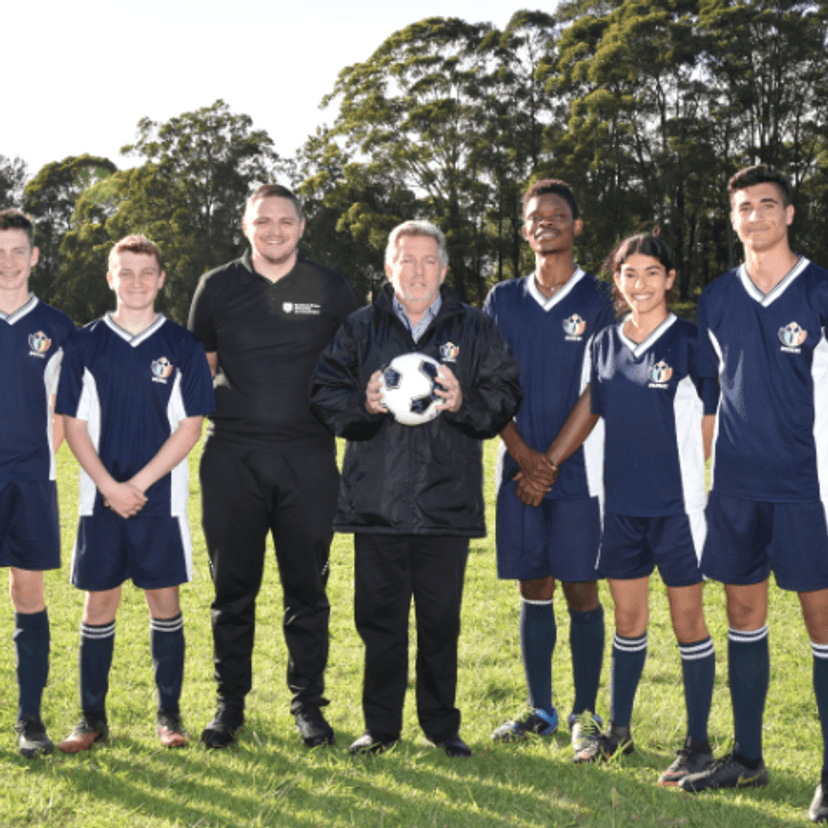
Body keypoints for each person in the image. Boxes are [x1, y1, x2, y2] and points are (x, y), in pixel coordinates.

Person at [310, 220, 521, 757]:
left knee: (439, 622)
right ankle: (381, 727)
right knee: (378, 623)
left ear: (445, 270)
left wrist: (462, 401)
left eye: (430, 261)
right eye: (407, 260)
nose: (419, 271)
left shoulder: (473, 328)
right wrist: (364, 403)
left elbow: (505, 393)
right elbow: (324, 391)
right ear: (388, 268)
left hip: (445, 502)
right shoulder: (361, 327)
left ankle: (441, 727)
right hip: (376, 503)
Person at [675, 166, 828, 824]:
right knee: (744, 615)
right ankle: (748, 756)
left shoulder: (821, 290)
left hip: (807, 487)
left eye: (769, 205)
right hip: (736, 487)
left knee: (823, 625)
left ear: (789, 214)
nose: (757, 216)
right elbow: (709, 398)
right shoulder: (716, 297)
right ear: (732, 219)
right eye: (745, 207)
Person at [541, 233, 718, 783]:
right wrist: (547, 463)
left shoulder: (690, 341)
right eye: (628, 273)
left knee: (689, 622)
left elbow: (713, 423)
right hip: (619, 508)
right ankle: (619, 731)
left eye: (650, 273)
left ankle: (697, 744)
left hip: (678, 510)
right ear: (616, 281)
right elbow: (593, 407)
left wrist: (700, 479)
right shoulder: (603, 343)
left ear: (670, 278)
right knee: (629, 621)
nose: (638, 283)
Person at [188, 184, 358, 749]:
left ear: (302, 227)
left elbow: (358, 366)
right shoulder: (216, 286)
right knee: (232, 590)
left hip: (308, 460)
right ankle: (228, 705)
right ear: (245, 225)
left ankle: (308, 706)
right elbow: (199, 373)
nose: (275, 230)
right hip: (232, 458)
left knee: (306, 590)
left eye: (286, 221)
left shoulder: (332, 289)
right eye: (264, 220)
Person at [55, 235, 214, 752]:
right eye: (126, 272)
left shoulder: (183, 346)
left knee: (162, 599)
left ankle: (169, 716)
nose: (137, 282)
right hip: (98, 499)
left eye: (147, 272)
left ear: (162, 279)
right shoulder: (83, 344)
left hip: (159, 501)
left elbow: (191, 426)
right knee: (99, 602)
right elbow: (72, 425)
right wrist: (108, 486)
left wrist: (137, 487)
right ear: (110, 278)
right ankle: (91, 719)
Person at [482, 180, 612, 759]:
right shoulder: (502, 299)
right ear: (524, 229)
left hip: (580, 471)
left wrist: (550, 463)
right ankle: (540, 709)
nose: (546, 223)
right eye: (536, 216)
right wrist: (524, 457)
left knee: (581, 587)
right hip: (518, 468)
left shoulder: (603, 298)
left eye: (558, 215)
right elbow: (488, 385)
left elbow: (600, 389)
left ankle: (586, 713)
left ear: (577, 227)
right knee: (533, 586)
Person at [0, 209, 75, 758]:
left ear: (34, 257)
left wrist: (37, 460)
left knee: (28, 592)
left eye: (17, 252)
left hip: (30, 480)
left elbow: (67, 412)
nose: (8, 264)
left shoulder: (58, 327)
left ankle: (30, 720)